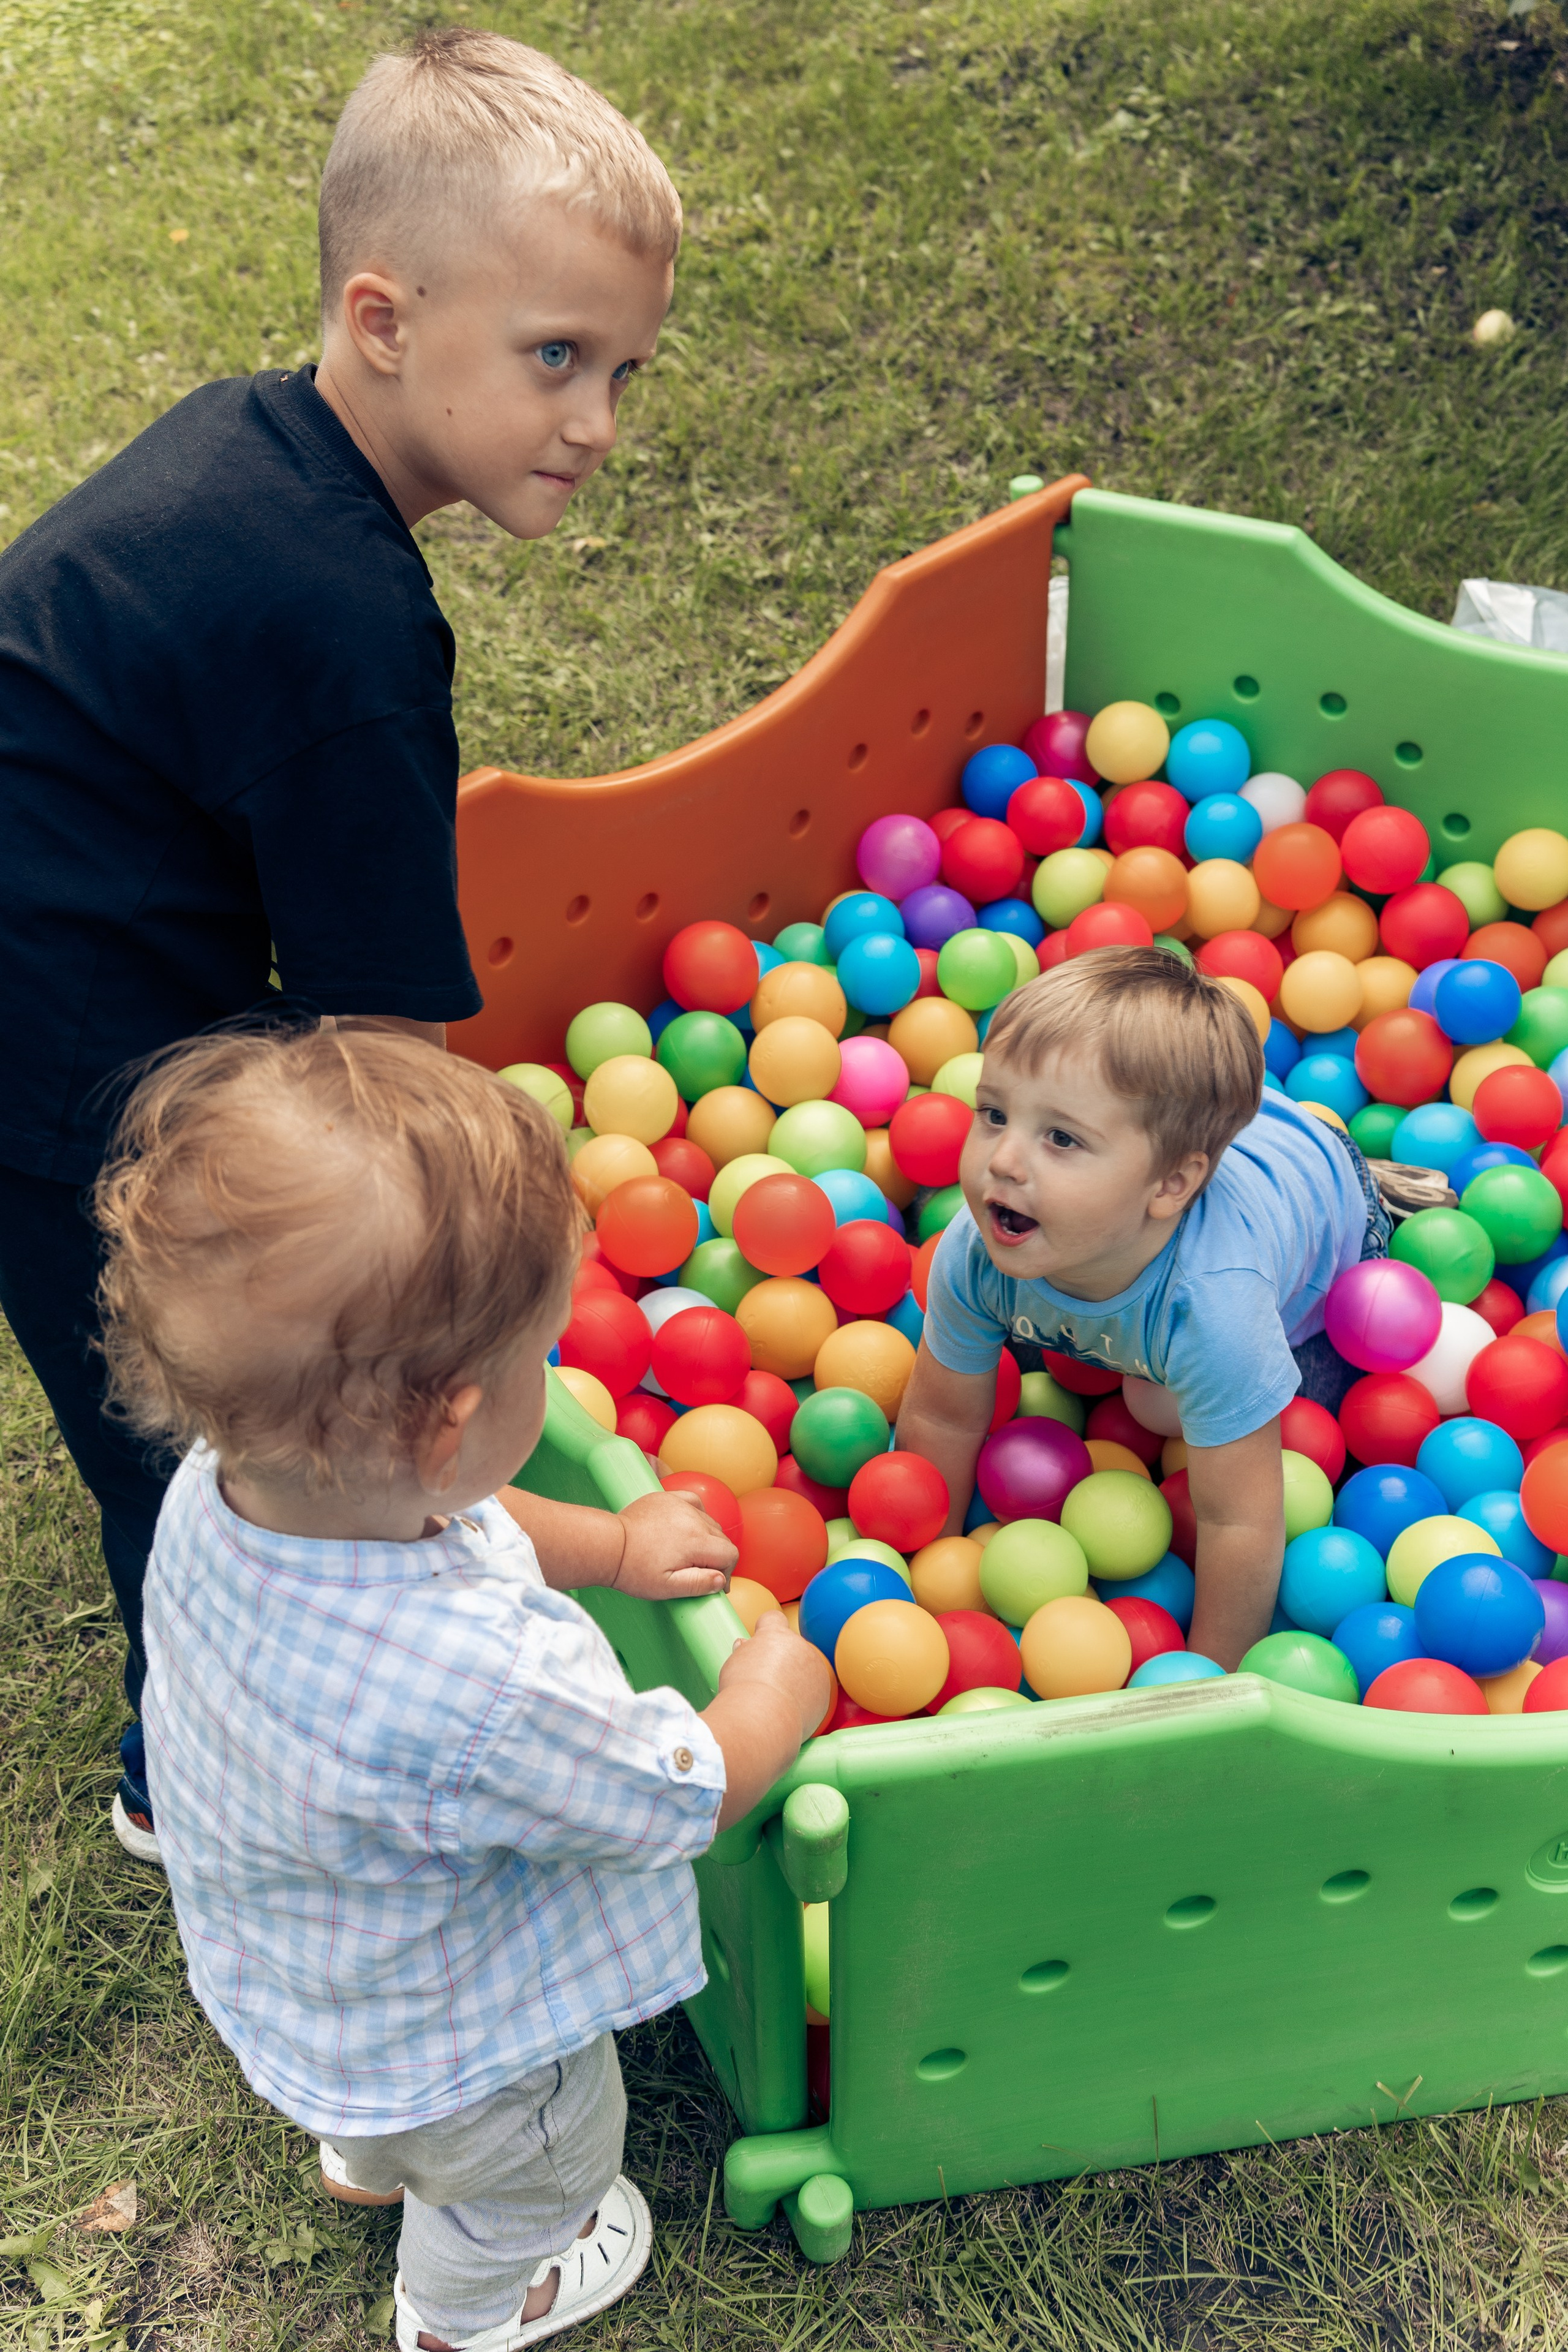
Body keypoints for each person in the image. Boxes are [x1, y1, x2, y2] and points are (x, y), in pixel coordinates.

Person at [0, 28, 680, 1859]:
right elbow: (389, 1064)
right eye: (555, 359)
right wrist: (492, 1258)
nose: (596, 423)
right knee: (231, 1419)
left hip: (61, 948)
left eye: (621, 369)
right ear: (384, 320)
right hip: (58, 1057)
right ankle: (198, 1779)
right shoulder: (345, 631)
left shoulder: (253, 445)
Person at [96, 1024, 831, 2352]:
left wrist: (609, 1545)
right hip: (474, 2040)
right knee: (530, 2174)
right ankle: (467, 2307)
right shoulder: (486, 1685)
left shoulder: (228, 1492)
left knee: (380, 2099)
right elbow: (671, 1797)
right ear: (451, 1420)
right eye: (542, 1350)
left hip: (303, 1955)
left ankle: (363, 2155)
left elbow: (473, 1520)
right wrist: (772, 1692)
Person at [895, 948, 1390, 1668]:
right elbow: (943, 1415)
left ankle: (1382, 1179)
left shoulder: (1218, 1309)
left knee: (1316, 1412)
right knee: (1131, 1382)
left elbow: (1239, 1521)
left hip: (1324, 1209)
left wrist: (1207, 1682)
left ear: (1168, 1186)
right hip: (1185, 1183)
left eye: (1061, 1138)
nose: (1003, 1161)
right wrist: (922, 1587)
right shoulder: (980, 1247)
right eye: (995, 1114)